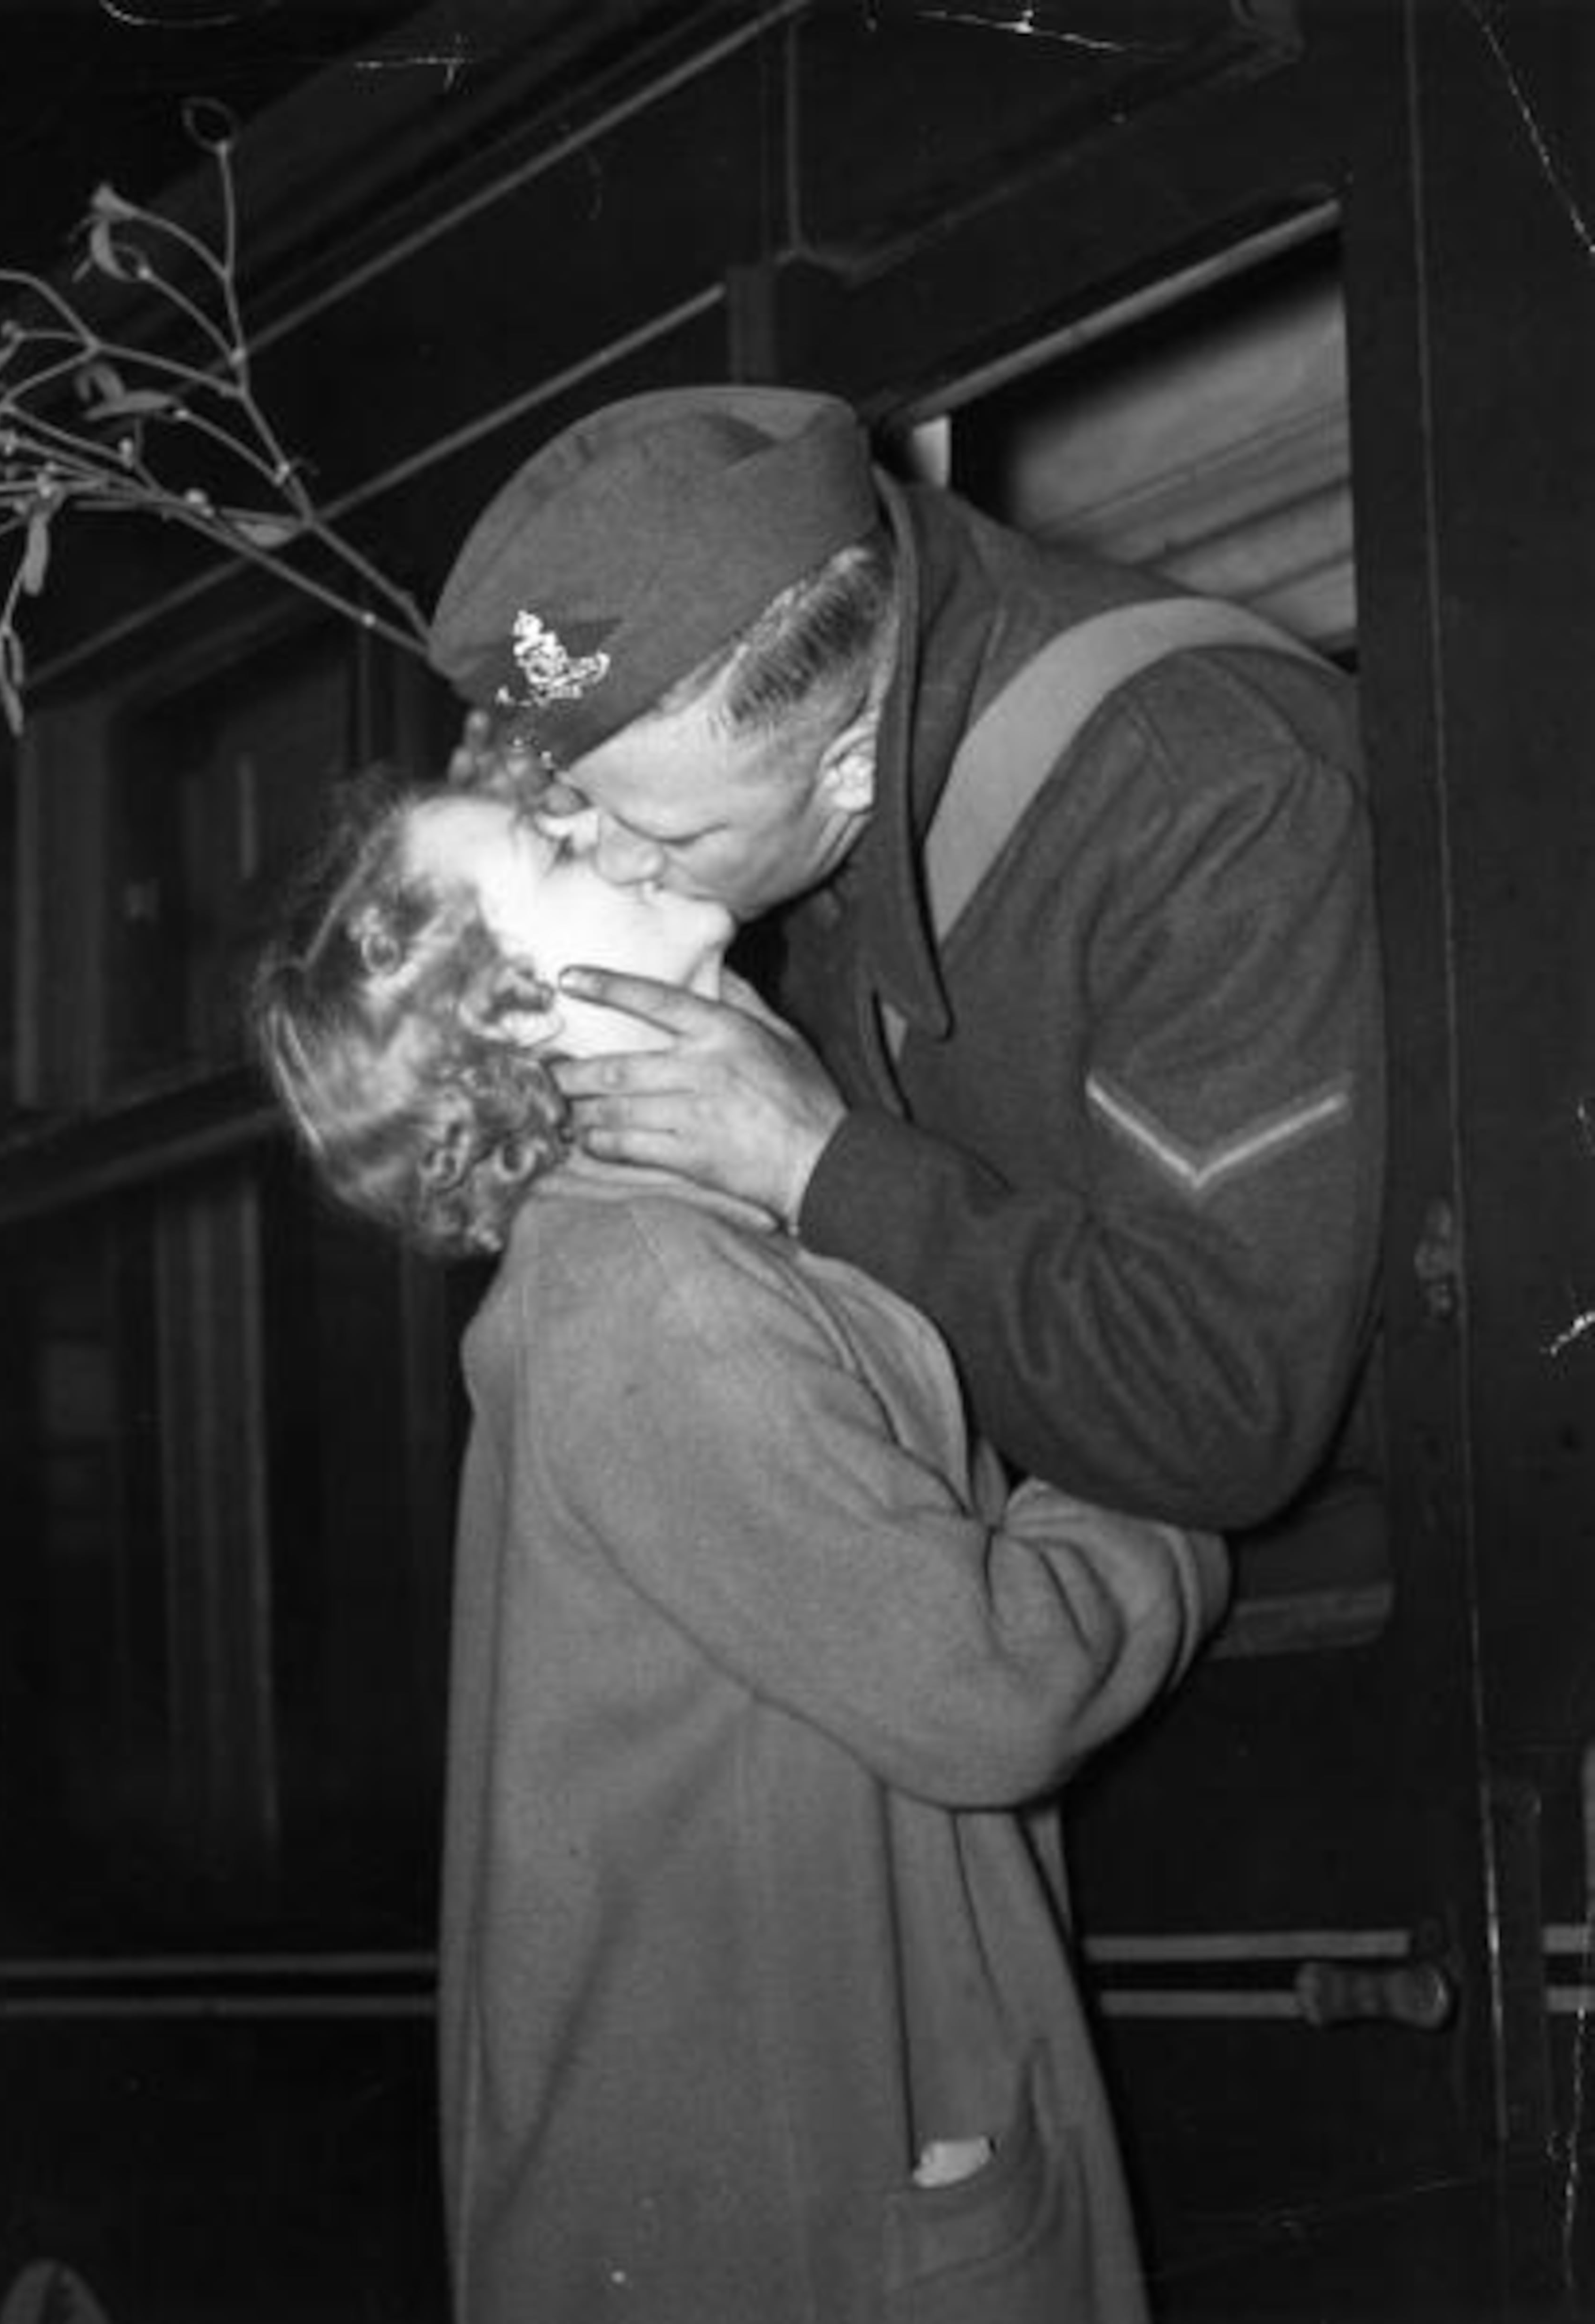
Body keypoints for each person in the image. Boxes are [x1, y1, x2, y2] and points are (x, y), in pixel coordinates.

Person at [250, 767, 1229, 2324]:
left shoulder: (674, 1243)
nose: (614, 820)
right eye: (555, 847)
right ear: (517, 1033)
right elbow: (995, 1685)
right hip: (811, 2222)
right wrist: (1178, 1488)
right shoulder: (651, 1292)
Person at [427, 384, 1386, 1535]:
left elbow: (1223, 1415)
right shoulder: (799, 793)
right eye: (581, 805)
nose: (618, 860)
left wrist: (814, 1162)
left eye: (673, 835)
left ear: (851, 769)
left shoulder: (1208, 808)